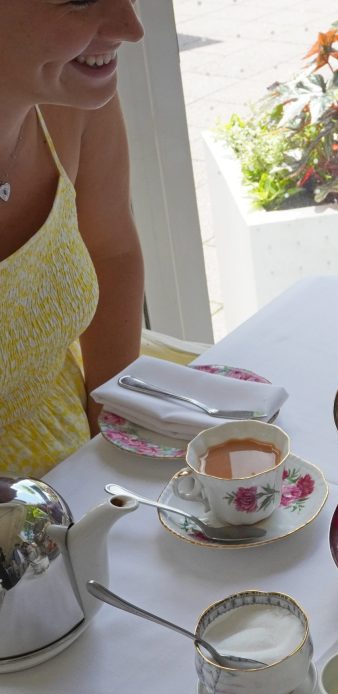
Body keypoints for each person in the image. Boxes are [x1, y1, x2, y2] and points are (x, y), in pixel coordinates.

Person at [0, 1, 146, 478]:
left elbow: (112, 252)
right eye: (82, 0)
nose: (132, 28)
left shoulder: (70, 96)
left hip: (72, 455)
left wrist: (110, 430)